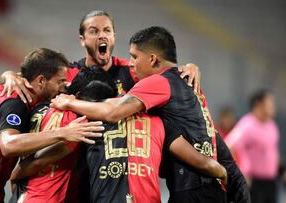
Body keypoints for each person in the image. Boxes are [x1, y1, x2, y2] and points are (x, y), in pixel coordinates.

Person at [51, 26, 250, 203]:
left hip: (193, 186)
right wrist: (219, 170)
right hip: (209, 184)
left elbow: (114, 111)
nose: (131, 63)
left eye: (135, 57)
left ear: (153, 59)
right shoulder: (189, 83)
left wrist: (71, 102)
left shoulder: (159, 82)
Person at [10, 66, 227, 203]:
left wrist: (16, 173)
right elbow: (201, 162)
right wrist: (221, 171)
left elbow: (37, 161)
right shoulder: (159, 121)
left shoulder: (85, 123)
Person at [0, 48, 103, 203]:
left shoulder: (11, 89)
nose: (64, 86)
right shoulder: (16, 103)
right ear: (40, 80)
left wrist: (7, 74)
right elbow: (8, 145)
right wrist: (63, 133)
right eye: (59, 81)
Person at [0, 10, 201, 103]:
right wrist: (8, 75)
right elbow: (30, 78)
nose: (102, 35)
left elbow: (164, 74)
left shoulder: (131, 70)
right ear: (82, 39)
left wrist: (189, 67)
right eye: (94, 31)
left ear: (114, 37)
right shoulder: (68, 72)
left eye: (107, 30)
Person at [226, 90, 281, 203]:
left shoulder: (271, 125)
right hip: (254, 183)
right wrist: (238, 174)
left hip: (271, 182)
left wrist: (282, 170)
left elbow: (273, 151)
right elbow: (228, 145)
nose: (273, 106)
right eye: (269, 102)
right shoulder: (247, 124)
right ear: (259, 104)